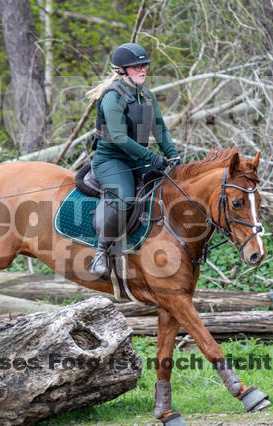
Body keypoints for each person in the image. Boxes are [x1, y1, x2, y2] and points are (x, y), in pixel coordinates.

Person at [85, 42, 180, 280]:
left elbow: (160, 129)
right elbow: (117, 137)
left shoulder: (147, 95)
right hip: (111, 160)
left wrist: (173, 155)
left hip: (137, 160)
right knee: (126, 196)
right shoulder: (112, 97)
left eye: (144, 65)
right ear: (122, 70)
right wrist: (151, 157)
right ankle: (101, 252)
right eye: (136, 66)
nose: (142, 70)